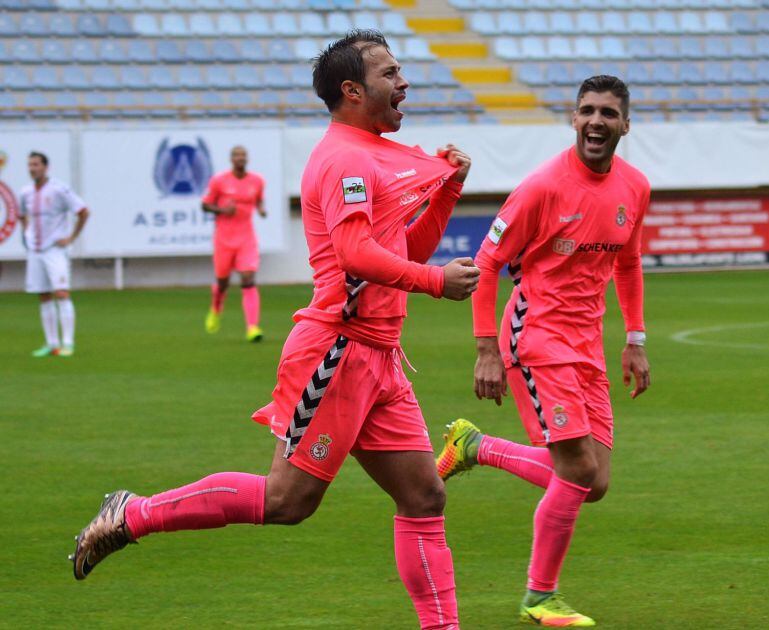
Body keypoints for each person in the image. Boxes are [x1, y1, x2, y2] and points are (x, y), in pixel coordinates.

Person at [70, 30, 480, 629]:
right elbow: (355, 254)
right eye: (390, 73)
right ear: (352, 89)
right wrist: (436, 282)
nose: (404, 82)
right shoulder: (345, 159)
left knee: (424, 496)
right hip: (338, 352)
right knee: (286, 501)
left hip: (380, 356)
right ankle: (133, 514)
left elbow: (400, 249)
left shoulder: (365, 156)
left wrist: (448, 193)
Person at [436, 76, 651, 628]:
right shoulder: (542, 187)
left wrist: (635, 339)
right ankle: (540, 597)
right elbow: (486, 263)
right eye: (586, 111)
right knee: (576, 466)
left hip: (587, 344)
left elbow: (626, 263)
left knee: (593, 482)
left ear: (625, 124)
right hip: (535, 336)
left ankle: (474, 446)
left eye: (607, 113)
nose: (596, 121)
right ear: (573, 120)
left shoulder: (635, 188)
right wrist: (486, 349)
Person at [18, 151, 89, 358]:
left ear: (46, 167)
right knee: (43, 295)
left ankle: (68, 343)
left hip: (55, 249)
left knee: (62, 293)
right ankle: (51, 344)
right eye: (30, 165)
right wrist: (27, 234)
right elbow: (22, 215)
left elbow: (83, 211)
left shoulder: (59, 190)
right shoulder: (25, 192)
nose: (32, 168)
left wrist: (71, 238)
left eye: (36, 164)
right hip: (35, 250)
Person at [201, 145, 266, 342]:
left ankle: (252, 327)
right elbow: (205, 204)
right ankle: (215, 308)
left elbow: (259, 200)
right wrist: (221, 211)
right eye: (237, 155)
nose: (240, 158)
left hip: (246, 237)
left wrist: (261, 209)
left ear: (247, 159)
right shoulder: (219, 181)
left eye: (243, 155)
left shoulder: (257, 181)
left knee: (248, 279)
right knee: (223, 283)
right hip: (224, 239)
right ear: (231, 159)